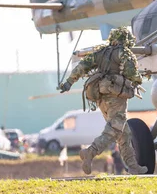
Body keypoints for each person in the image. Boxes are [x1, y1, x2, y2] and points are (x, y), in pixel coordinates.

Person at [59, 27, 147, 175]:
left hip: (100, 98)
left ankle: (133, 166)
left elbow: (82, 66)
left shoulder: (100, 52)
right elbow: (132, 73)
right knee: (114, 130)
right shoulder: (124, 53)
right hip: (116, 97)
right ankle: (91, 152)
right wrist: (137, 80)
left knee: (123, 133)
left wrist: (69, 82)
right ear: (125, 39)